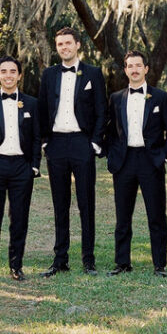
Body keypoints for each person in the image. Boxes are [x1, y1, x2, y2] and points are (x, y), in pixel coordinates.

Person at [38, 27, 106, 276]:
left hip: (82, 143)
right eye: (60, 44)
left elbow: (101, 111)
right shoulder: (49, 74)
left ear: (78, 45)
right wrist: (45, 141)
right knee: (60, 204)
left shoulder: (93, 74)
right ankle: (60, 259)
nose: (64, 47)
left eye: (68, 43)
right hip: (56, 144)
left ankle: (88, 259)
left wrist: (95, 143)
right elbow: (43, 108)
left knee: (86, 203)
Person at [104, 51, 167, 277]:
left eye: (138, 65)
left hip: (151, 161)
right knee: (122, 216)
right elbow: (109, 131)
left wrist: (164, 155)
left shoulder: (160, 97)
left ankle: (159, 265)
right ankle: (122, 263)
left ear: (146, 68)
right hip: (124, 163)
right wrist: (111, 155)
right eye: (130, 66)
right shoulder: (116, 98)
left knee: (156, 215)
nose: (134, 70)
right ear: (125, 70)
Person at [0, 56, 41, 281]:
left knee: (19, 219)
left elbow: (36, 137)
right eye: (4, 71)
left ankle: (16, 266)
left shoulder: (31, 103)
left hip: (22, 167)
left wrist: (34, 166)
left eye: (13, 71)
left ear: (20, 75)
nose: (9, 75)